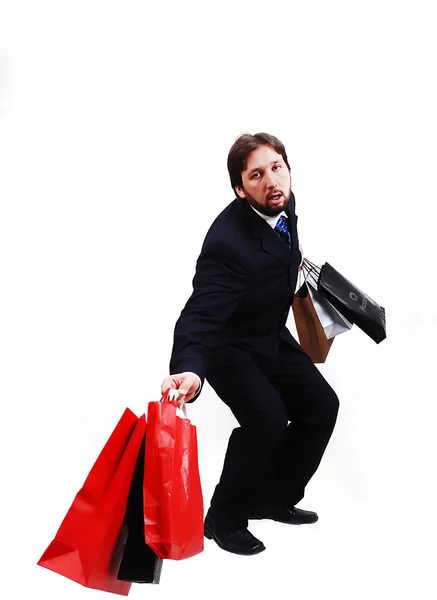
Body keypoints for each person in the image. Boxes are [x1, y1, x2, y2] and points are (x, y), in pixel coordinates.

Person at [160, 132, 339, 556]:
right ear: (241, 189)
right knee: (267, 420)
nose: (271, 181)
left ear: (288, 168)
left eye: (277, 167)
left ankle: (273, 498)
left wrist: (293, 262)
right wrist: (189, 367)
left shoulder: (283, 202)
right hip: (226, 346)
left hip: (267, 332)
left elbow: (281, 239)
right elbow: (201, 311)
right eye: (256, 175)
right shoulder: (226, 244)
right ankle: (223, 518)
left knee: (321, 406)